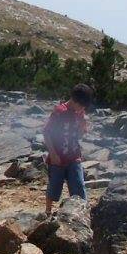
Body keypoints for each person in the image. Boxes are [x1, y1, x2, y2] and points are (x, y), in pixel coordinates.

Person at [44, 84, 92, 215]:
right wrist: (53, 154)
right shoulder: (59, 112)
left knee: (79, 186)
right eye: (81, 105)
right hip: (58, 157)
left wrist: (83, 126)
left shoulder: (79, 113)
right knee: (54, 187)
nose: (82, 109)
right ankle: (47, 211)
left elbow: (80, 135)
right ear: (74, 100)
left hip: (74, 155)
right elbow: (46, 133)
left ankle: (82, 214)